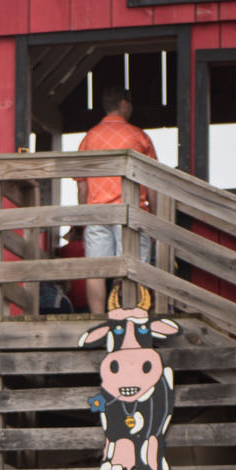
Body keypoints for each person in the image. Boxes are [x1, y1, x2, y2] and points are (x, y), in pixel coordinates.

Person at [77, 88, 158, 315]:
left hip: (97, 212)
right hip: (130, 212)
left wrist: (83, 216)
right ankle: (133, 317)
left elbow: (82, 183)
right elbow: (152, 182)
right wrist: (155, 216)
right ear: (124, 104)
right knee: (134, 269)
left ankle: (96, 318)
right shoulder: (138, 136)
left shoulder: (89, 138)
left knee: (97, 270)